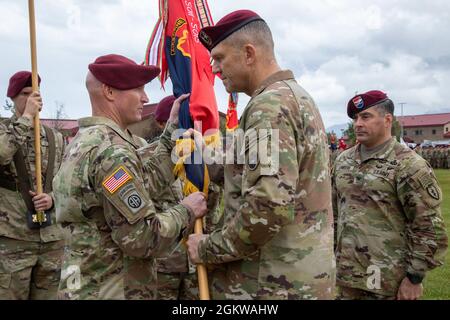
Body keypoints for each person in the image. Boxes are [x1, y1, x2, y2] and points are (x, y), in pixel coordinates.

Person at [186, 10, 335, 300]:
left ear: (249, 53)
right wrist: (200, 152)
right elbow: (244, 171)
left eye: (219, 58)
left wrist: (207, 247)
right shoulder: (292, 96)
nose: (214, 69)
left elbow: (268, 206)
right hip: (295, 276)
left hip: (271, 284)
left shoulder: (269, 107)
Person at [53, 54, 207, 300]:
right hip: (112, 288)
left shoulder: (84, 142)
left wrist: (170, 136)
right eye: (138, 89)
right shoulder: (113, 152)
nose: (145, 98)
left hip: (85, 285)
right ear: (109, 92)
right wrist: (187, 211)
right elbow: (142, 238)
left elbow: (143, 185)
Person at [332, 90, 448, 300]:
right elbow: (333, 214)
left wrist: (414, 277)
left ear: (387, 120)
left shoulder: (409, 164)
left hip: (388, 280)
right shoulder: (343, 161)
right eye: (355, 118)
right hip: (347, 275)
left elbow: (429, 226)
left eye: (365, 117)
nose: (357, 123)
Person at [0, 71, 65, 299]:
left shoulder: (54, 136)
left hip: (51, 237)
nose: (32, 98)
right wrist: (26, 117)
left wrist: (52, 198)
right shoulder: (3, 129)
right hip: (13, 238)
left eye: (35, 93)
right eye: (25, 94)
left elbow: (65, 180)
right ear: (12, 98)